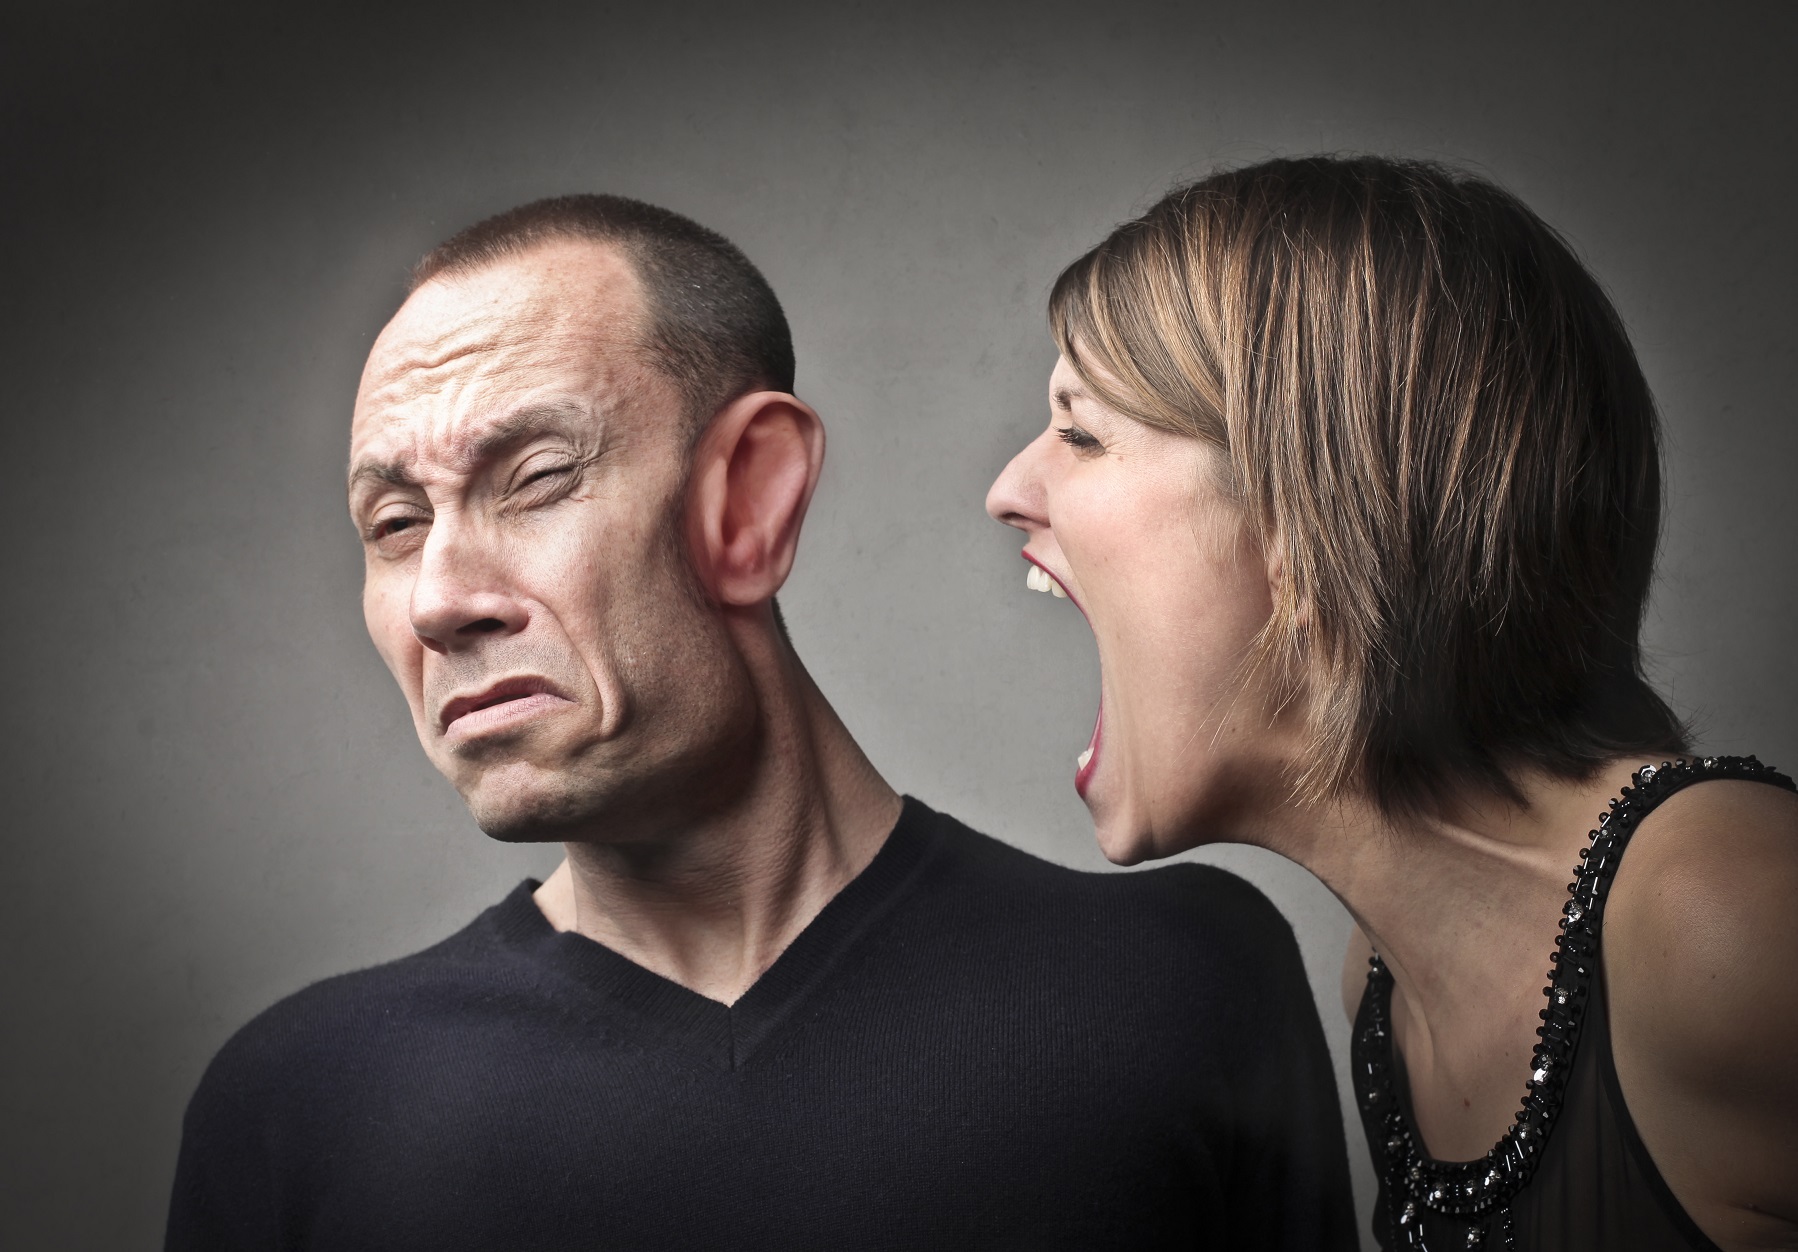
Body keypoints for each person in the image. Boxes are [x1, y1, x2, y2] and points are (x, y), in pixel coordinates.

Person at [165, 194, 1357, 1251]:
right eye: (394, 525)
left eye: (531, 480)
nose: (439, 601)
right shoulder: (298, 1105)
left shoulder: (1184, 987)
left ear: (750, 498)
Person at [986, 156, 1798, 1251]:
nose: (1008, 491)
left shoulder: (1725, 915)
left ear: (1313, 518)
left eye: (1080, 432)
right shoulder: (1383, 983)